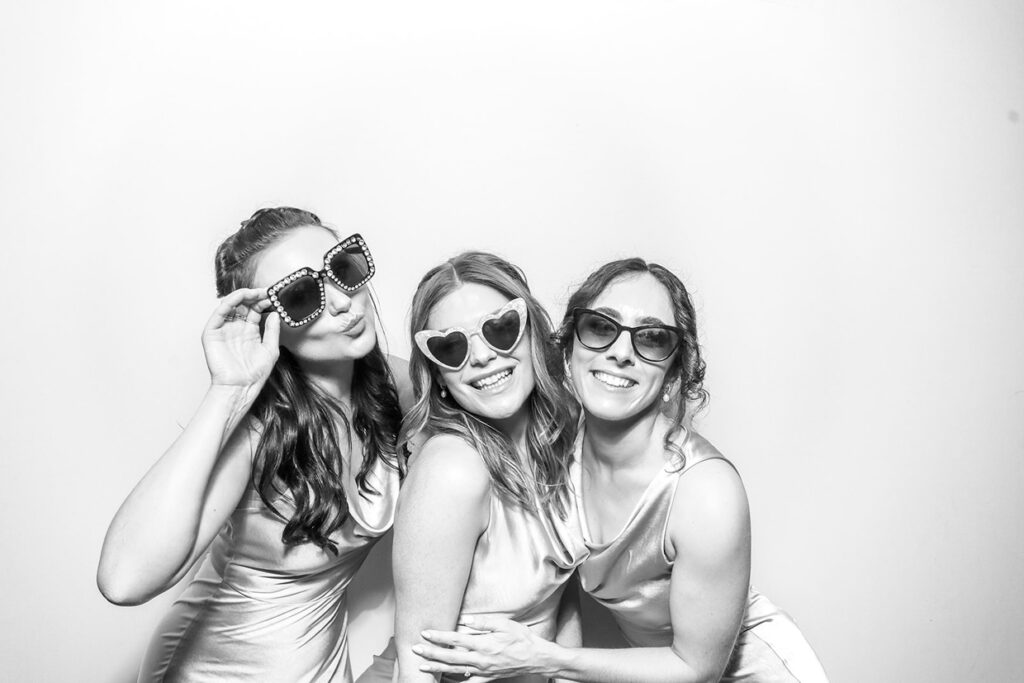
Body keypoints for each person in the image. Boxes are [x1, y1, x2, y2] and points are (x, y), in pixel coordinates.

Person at [414, 258, 829, 682]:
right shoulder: (558, 444)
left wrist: (546, 660)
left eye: (651, 339)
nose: (620, 352)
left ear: (672, 377)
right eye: (600, 327)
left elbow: (697, 668)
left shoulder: (705, 491)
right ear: (567, 349)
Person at [97, 207, 408, 682]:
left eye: (343, 268)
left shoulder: (393, 387)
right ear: (269, 322)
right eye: (304, 296)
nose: (343, 302)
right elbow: (124, 579)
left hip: (320, 667)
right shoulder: (259, 431)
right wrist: (229, 391)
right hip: (216, 668)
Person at [384, 252, 587, 683]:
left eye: (500, 329)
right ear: (438, 374)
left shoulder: (561, 439)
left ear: (532, 332)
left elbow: (561, 599)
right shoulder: (452, 470)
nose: (481, 357)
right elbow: (418, 662)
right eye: (451, 346)